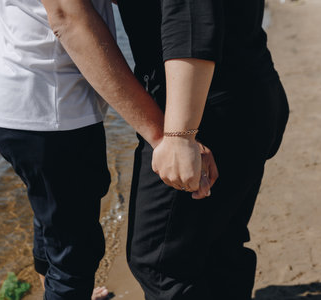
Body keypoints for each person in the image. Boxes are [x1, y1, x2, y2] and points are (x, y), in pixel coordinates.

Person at [0, 0, 216, 299]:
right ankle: (64, 289)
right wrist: (166, 137)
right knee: (75, 255)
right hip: (51, 110)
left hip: (16, 98)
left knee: (52, 217)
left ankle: (56, 289)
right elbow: (68, 18)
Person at [116, 0, 290, 299]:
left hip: (201, 109)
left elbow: (190, 18)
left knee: (160, 264)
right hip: (246, 87)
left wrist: (179, 136)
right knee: (219, 246)